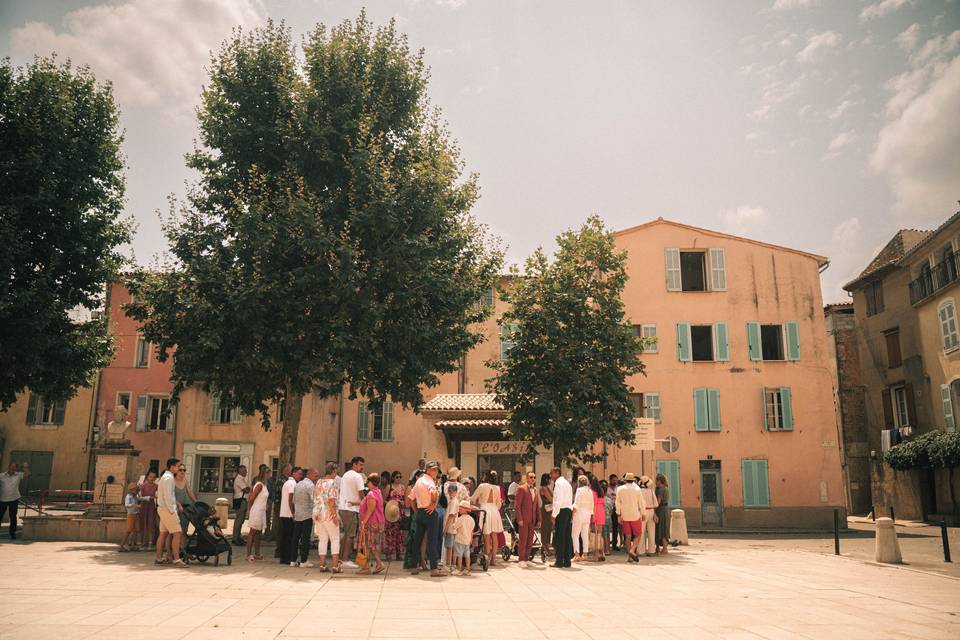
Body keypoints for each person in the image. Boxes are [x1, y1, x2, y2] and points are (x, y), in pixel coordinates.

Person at [410, 461, 443, 576]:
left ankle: (414, 567)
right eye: (433, 469)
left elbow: (411, 498)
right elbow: (433, 493)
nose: (435, 472)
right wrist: (433, 505)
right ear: (428, 470)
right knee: (432, 541)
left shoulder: (419, 481)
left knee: (417, 540)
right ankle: (434, 569)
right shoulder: (429, 481)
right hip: (429, 513)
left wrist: (417, 511)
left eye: (436, 470)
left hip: (420, 512)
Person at [155, 458, 187, 567]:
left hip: (163, 508)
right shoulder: (169, 478)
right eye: (178, 466)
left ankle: (159, 559)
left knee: (163, 533)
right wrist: (173, 510)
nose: (179, 469)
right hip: (168, 509)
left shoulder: (166, 477)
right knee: (178, 533)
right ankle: (177, 559)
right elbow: (168, 496)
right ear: (172, 467)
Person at [472, 470, 504, 568]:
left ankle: (487, 557)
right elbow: (499, 504)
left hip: (485, 509)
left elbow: (473, 498)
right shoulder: (497, 488)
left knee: (486, 535)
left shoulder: (482, 486)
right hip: (494, 510)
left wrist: (477, 504)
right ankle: (493, 559)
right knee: (494, 535)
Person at [313, 462, 342, 573]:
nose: (336, 474)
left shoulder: (319, 482)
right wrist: (334, 515)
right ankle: (335, 566)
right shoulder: (333, 483)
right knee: (335, 539)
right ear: (333, 471)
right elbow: (331, 500)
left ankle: (322, 565)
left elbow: (316, 497)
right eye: (336, 472)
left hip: (318, 514)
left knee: (322, 539)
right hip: (328, 514)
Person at [339, 456, 365, 564]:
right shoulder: (357, 476)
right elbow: (361, 493)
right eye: (360, 465)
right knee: (350, 534)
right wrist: (365, 502)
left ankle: (341, 558)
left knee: (346, 533)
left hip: (343, 507)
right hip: (351, 508)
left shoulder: (345, 475)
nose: (362, 467)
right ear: (354, 464)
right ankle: (345, 560)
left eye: (363, 465)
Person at [615, 472, 647, 562]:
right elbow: (641, 502)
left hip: (624, 515)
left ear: (625, 480)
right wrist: (644, 513)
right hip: (635, 514)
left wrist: (618, 514)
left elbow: (618, 502)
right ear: (633, 480)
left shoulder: (620, 489)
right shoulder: (637, 489)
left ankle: (629, 556)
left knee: (627, 536)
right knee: (638, 534)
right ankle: (632, 550)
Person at [358, 473, 386, 574]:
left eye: (368, 481)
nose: (367, 483)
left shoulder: (371, 494)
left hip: (371, 522)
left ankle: (378, 563)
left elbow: (370, 509)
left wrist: (363, 522)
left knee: (370, 545)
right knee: (371, 545)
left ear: (371, 482)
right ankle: (367, 566)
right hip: (377, 522)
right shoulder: (377, 491)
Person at [514, 470, 541, 567]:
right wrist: (519, 518)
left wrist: (539, 519)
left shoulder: (535, 490)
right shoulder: (521, 489)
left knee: (530, 540)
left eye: (534, 477)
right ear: (526, 478)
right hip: (524, 519)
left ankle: (527, 558)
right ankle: (521, 559)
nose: (533, 479)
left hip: (532, 519)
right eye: (531, 477)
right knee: (523, 539)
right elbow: (517, 506)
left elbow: (537, 506)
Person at [292, 467, 318, 567]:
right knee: (305, 538)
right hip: (307, 515)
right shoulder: (310, 485)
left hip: (298, 514)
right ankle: (303, 561)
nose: (316, 478)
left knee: (295, 538)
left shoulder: (298, 484)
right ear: (309, 474)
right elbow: (314, 499)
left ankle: (293, 560)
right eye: (315, 475)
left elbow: (294, 500)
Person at [246, 466, 271, 562]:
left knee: (259, 533)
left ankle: (257, 553)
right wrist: (250, 510)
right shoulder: (259, 485)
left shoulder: (264, 485)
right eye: (269, 473)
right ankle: (248, 554)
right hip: (256, 510)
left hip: (262, 511)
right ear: (265, 474)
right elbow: (251, 498)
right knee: (252, 531)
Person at [0, 461, 30, 540]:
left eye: (14, 467)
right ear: (9, 467)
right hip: (3, 499)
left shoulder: (18, 475)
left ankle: (12, 534)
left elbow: (27, 474)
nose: (13, 468)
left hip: (14, 499)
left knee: (13, 517)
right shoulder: (2, 476)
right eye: (11, 466)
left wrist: (25, 467)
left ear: (16, 468)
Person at [550, 467, 574, 568]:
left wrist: (554, 514)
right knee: (567, 536)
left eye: (551, 473)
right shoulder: (567, 483)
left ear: (556, 473)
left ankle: (559, 561)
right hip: (568, 510)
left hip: (561, 511)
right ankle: (567, 561)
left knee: (560, 537)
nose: (550, 476)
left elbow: (558, 500)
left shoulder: (559, 484)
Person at [278, 466, 301, 565]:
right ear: (294, 473)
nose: (301, 476)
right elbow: (290, 499)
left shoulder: (287, 482)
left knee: (285, 536)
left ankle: (283, 557)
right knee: (289, 537)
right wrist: (293, 512)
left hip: (284, 513)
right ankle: (288, 557)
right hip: (288, 514)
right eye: (299, 474)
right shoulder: (292, 483)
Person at [383, 470, 406, 561]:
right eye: (397, 477)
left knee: (399, 533)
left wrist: (402, 503)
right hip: (390, 511)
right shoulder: (389, 487)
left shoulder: (403, 487)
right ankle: (389, 554)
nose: (399, 479)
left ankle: (399, 553)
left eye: (400, 477)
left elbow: (405, 499)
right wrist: (390, 504)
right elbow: (383, 499)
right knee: (390, 533)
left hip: (399, 512)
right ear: (393, 478)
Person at [571, 475, 594, 562]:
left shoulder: (579, 490)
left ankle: (576, 555)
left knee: (575, 535)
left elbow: (576, 504)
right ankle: (585, 554)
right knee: (584, 535)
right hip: (587, 514)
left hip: (579, 513)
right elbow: (592, 505)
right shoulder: (590, 491)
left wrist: (572, 514)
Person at [451, 499, 475, 575]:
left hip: (459, 540)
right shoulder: (471, 519)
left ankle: (459, 569)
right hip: (467, 541)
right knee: (467, 556)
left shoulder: (460, 519)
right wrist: (471, 539)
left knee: (459, 555)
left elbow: (454, 527)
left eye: (460, 509)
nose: (459, 510)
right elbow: (472, 530)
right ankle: (467, 569)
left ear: (465, 510)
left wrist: (454, 519)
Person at [638, 475, 659, 557]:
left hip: (642, 512)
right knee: (651, 532)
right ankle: (651, 550)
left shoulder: (639, 491)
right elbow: (656, 504)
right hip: (651, 511)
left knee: (641, 532)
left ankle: (640, 551)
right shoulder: (651, 491)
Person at [139, 468, 158, 549]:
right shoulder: (143, 486)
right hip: (144, 506)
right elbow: (139, 497)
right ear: (147, 477)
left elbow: (158, 496)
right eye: (150, 477)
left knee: (150, 523)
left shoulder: (156, 486)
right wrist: (148, 497)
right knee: (143, 523)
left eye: (154, 477)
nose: (152, 479)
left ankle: (150, 543)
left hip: (151, 506)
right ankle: (142, 542)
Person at [442, 483, 460, 571]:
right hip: (452, 527)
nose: (450, 493)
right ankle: (452, 564)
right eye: (449, 491)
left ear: (456, 492)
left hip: (450, 528)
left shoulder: (454, 501)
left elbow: (451, 516)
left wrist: (445, 529)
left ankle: (449, 565)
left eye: (452, 492)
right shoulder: (453, 500)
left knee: (449, 546)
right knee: (451, 546)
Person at [174, 465, 196, 533]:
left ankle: (183, 543)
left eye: (184, 470)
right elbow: (171, 496)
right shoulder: (172, 481)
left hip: (187, 507)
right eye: (180, 470)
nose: (182, 471)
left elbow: (190, 492)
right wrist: (178, 504)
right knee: (177, 528)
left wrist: (196, 502)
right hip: (177, 508)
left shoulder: (185, 480)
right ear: (176, 471)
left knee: (185, 528)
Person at [119, 483, 141, 551]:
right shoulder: (128, 496)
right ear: (131, 490)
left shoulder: (135, 497)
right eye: (136, 490)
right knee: (128, 530)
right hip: (131, 515)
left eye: (137, 490)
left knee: (136, 530)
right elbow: (127, 504)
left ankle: (132, 545)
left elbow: (141, 498)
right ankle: (121, 546)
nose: (137, 492)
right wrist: (135, 505)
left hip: (136, 514)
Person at [231, 465, 249, 545]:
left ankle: (238, 536)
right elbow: (246, 489)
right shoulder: (239, 479)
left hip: (242, 500)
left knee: (241, 520)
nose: (246, 472)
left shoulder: (241, 479)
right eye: (244, 470)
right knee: (239, 519)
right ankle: (235, 537)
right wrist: (249, 488)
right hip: (240, 500)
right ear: (240, 471)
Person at [655, 473, 671, 555]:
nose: (655, 482)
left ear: (659, 481)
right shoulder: (665, 488)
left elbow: (658, 502)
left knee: (661, 529)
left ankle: (664, 549)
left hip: (661, 510)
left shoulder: (661, 489)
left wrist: (653, 510)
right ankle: (661, 548)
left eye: (656, 480)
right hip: (665, 509)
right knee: (663, 528)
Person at [591, 477, 606, 561]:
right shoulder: (601, 491)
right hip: (601, 512)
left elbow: (594, 504)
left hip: (596, 512)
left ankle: (596, 553)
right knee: (600, 534)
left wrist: (593, 515)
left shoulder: (593, 492)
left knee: (594, 534)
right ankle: (602, 552)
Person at [539, 473, 553, 556]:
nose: (550, 480)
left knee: (548, 529)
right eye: (549, 479)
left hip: (549, 510)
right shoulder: (543, 488)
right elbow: (551, 499)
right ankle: (544, 547)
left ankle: (547, 546)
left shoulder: (547, 488)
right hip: (545, 510)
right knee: (545, 529)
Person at [607, 475, 620, 551]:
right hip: (608, 508)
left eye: (616, 480)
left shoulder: (618, 488)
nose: (615, 482)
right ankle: (607, 544)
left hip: (616, 508)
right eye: (613, 480)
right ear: (610, 480)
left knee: (615, 527)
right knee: (607, 526)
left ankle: (615, 544)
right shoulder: (607, 488)